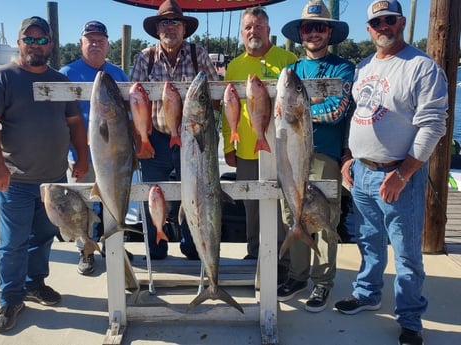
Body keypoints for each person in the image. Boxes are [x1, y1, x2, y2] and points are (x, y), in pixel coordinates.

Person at [334, 1, 448, 344]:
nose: (383, 26)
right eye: (376, 22)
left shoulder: (421, 67)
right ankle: (367, 293)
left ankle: (411, 319)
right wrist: (348, 157)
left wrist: (404, 173)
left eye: (389, 19)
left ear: (400, 22)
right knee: (367, 240)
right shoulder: (365, 65)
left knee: (407, 253)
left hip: (398, 175)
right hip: (362, 172)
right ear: (368, 29)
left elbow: (434, 125)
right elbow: (359, 116)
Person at [0, 16, 89, 333]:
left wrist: (81, 157)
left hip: (53, 181)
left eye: (43, 40)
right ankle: (10, 299)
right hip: (15, 180)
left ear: (51, 44)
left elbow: (75, 124)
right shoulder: (1, 78)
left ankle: (34, 284)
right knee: (13, 243)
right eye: (30, 39)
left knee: (42, 237)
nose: (36, 45)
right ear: (19, 42)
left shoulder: (60, 81)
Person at [276, 0, 355, 313]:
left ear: (329, 32)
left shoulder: (343, 68)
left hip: (324, 156)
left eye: (320, 27)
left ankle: (323, 280)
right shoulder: (291, 71)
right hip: (290, 155)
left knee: (323, 216)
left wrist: (299, 111)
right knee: (290, 214)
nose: (314, 33)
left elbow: (336, 110)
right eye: (308, 27)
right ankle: (298, 275)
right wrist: (306, 108)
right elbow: (281, 114)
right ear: (300, 33)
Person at [130, 0, 219, 260]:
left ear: (184, 28)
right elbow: (132, 104)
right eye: (165, 22)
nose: (170, 27)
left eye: (175, 22)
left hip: (192, 139)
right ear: (157, 29)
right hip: (155, 137)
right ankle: (156, 249)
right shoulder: (144, 57)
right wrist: (140, 141)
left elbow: (215, 96)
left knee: (194, 192)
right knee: (152, 194)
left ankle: (193, 246)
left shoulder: (197, 54)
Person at [221, 6, 297, 271]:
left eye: (258, 26)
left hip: (281, 148)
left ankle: (284, 258)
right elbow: (226, 110)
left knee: (282, 204)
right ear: (242, 33)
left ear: (268, 30)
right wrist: (228, 145)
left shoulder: (288, 59)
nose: (253, 31)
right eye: (248, 27)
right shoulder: (234, 66)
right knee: (250, 203)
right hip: (246, 148)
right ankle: (254, 252)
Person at [60, 20, 135, 275]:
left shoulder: (119, 73)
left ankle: (115, 245)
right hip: (82, 154)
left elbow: (130, 115)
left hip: (116, 154)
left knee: (112, 200)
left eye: (100, 40)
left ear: (107, 44)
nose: (95, 44)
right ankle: (86, 249)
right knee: (83, 204)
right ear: (81, 42)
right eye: (90, 39)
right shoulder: (67, 73)